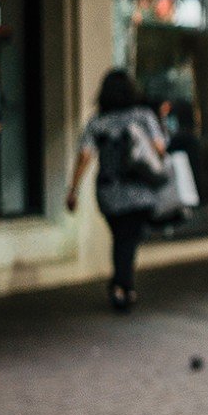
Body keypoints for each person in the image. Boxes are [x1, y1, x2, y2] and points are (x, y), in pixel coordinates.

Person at [68, 68, 170, 313]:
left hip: (108, 192)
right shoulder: (143, 116)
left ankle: (122, 285)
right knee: (128, 239)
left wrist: (73, 190)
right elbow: (160, 149)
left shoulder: (97, 122)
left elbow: (84, 156)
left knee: (122, 238)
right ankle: (122, 287)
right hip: (139, 190)